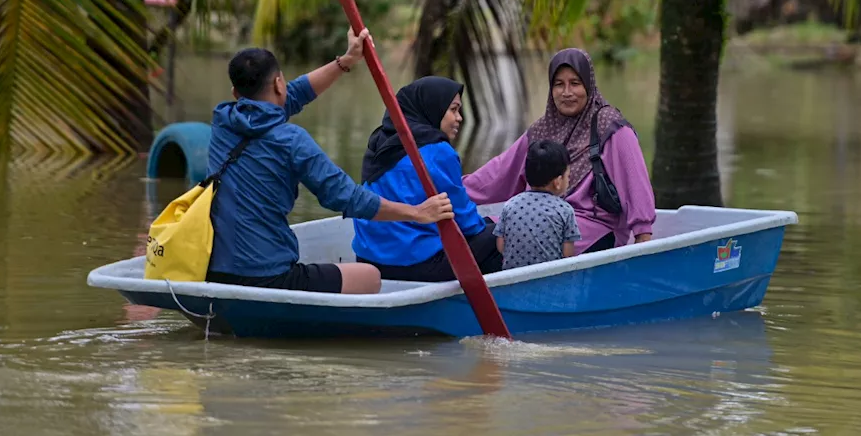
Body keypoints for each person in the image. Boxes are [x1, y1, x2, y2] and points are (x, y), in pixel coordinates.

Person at [205, 28, 454, 296]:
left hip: (213, 272)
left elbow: (293, 96)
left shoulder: (223, 122)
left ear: (234, 93)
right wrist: (417, 212)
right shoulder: (291, 140)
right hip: (268, 277)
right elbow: (347, 197)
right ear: (278, 83)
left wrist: (345, 61)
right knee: (370, 276)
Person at [465, 48, 656, 252]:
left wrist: (642, 236)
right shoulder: (542, 130)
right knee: (477, 231)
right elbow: (498, 174)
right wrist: (450, 192)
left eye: (575, 83)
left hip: (592, 227)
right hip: (536, 218)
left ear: (588, 85)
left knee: (493, 245)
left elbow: (635, 182)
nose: (567, 93)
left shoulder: (609, 126)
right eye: (559, 84)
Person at [351, 76, 503, 281]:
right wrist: (492, 227)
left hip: (367, 260)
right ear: (434, 108)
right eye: (454, 109)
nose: (459, 118)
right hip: (415, 264)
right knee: (503, 233)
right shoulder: (438, 151)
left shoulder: (378, 142)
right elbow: (466, 221)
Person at [494, 139, 582, 271]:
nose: (568, 180)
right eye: (567, 176)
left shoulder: (510, 204)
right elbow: (567, 254)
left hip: (513, 279)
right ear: (558, 181)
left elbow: (501, 245)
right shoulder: (565, 210)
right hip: (549, 281)